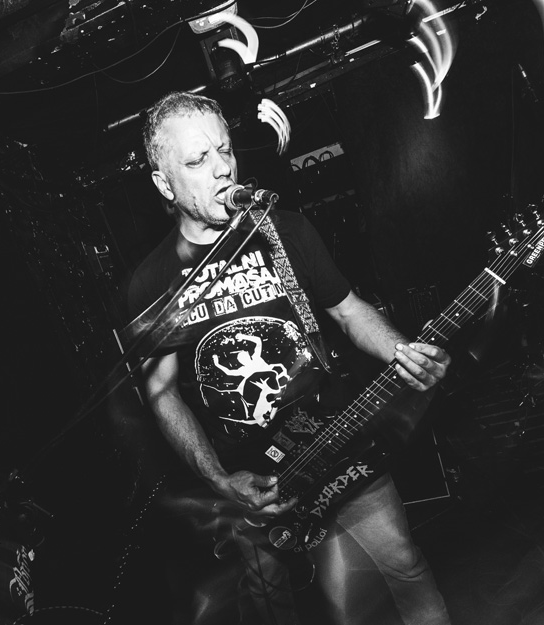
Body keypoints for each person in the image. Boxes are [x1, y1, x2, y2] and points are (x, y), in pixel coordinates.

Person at [127, 91, 452, 624]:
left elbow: (348, 311)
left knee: (403, 566)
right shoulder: (150, 284)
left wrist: (401, 351)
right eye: (197, 160)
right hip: (254, 484)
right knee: (272, 605)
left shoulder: (287, 230)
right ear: (165, 184)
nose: (222, 168)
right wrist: (218, 479)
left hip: (338, 443)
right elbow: (161, 396)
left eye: (224, 149)